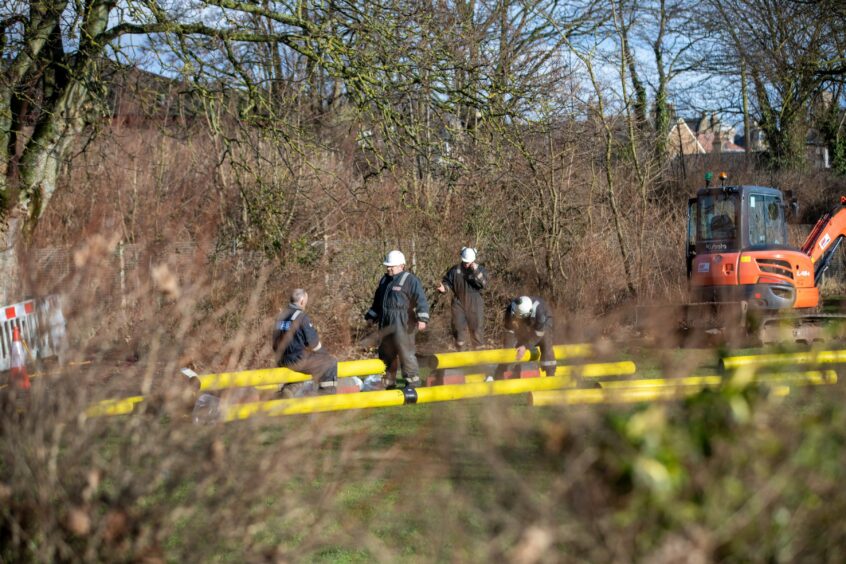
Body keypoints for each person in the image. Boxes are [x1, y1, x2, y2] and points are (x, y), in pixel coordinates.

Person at [364, 250, 430, 389]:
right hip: (385, 322)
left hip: (403, 322)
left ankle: (412, 383)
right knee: (386, 353)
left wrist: (422, 318)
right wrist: (371, 317)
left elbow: (421, 300)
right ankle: (389, 382)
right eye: (387, 266)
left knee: (405, 352)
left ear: (401, 265)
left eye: (391, 266)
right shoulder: (384, 280)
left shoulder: (410, 280)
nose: (388, 268)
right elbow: (377, 302)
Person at [273, 289, 338, 397]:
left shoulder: (280, 316)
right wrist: (325, 355)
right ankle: (327, 397)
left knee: (305, 365)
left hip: (280, 359)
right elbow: (314, 344)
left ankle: (288, 391)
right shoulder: (301, 317)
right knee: (330, 362)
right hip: (296, 359)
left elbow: (274, 342)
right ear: (302, 301)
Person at [492, 295, 556, 380]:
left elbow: (538, 334)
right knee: (516, 346)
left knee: (546, 342)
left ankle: (550, 375)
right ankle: (501, 374)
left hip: (544, 322)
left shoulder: (539, 311)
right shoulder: (511, 308)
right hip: (528, 320)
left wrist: (525, 346)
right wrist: (507, 351)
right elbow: (509, 331)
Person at [436, 247, 488, 351]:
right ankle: (461, 354)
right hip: (458, 303)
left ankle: (479, 362)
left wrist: (475, 271)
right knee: (459, 331)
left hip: (475, 303)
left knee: (477, 332)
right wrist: (444, 288)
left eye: (468, 262)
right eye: (464, 262)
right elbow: (447, 283)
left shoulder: (481, 269)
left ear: (473, 260)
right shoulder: (455, 270)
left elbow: (484, 284)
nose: (466, 264)